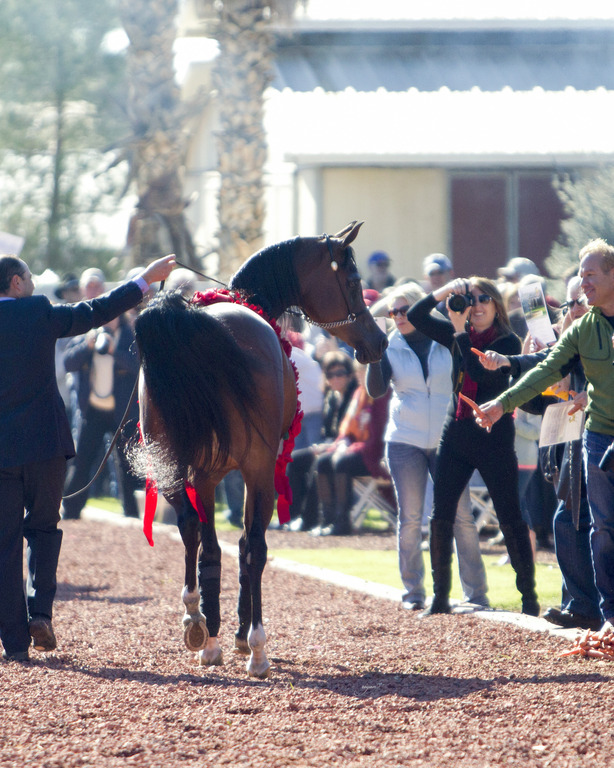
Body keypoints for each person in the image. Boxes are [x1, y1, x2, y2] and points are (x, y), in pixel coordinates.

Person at [0, 252, 176, 661]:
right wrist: (144, 281)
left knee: (5, 543)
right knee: (44, 530)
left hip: (3, 451)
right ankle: (40, 611)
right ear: (15, 284)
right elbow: (96, 311)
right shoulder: (39, 312)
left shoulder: (32, 309)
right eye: (28, 277)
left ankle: (13, 642)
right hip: (44, 444)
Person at [477, 245, 614, 629]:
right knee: (602, 530)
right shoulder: (585, 330)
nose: (582, 285)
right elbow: (547, 369)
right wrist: (501, 404)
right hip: (598, 437)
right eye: (581, 277)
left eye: (590, 276)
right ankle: (608, 617)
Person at [407, 275, 539, 617]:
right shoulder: (456, 330)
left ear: (496, 305)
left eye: (484, 299)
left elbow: (483, 378)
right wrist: (447, 291)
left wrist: (461, 334)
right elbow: (417, 316)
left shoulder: (508, 342)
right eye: (471, 300)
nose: (476, 305)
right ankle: (440, 597)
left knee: (510, 516)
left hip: (493, 435)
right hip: (457, 431)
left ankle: (529, 598)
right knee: (441, 516)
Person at [366, 284, 489, 611]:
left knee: (461, 516)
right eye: (394, 312)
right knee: (410, 519)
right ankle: (413, 593)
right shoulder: (389, 345)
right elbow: (376, 390)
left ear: (423, 308)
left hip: (448, 441)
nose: (399, 316)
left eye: (406, 309)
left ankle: (476, 595)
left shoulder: (447, 337)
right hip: (405, 440)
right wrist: (372, 357)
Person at [61, 310, 142, 519]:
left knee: (127, 465)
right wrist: (87, 346)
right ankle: (71, 509)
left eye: (112, 315)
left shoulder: (131, 336)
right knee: (82, 462)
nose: (108, 320)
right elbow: (68, 362)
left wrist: (115, 351)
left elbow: (138, 366)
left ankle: (132, 513)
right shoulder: (90, 335)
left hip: (123, 412)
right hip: (94, 410)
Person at [315, 362, 390, 536]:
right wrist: (341, 444)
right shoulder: (359, 393)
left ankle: (343, 522)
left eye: (364, 373)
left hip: (374, 455)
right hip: (357, 449)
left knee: (341, 461)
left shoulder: (382, 396)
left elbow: (378, 437)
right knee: (323, 461)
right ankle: (328, 520)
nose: (361, 377)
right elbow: (347, 429)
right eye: (359, 374)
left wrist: (350, 449)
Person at [287, 351, 357, 532]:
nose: (335, 379)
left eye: (340, 373)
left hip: (348, 447)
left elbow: (353, 433)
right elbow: (328, 431)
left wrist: (327, 446)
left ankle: (309, 519)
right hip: (330, 444)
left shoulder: (356, 395)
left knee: (319, 463)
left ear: (350, 375)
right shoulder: (331, 397)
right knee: (293, 460)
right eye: (330, 375)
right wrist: (323, 445)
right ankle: (293, 515)